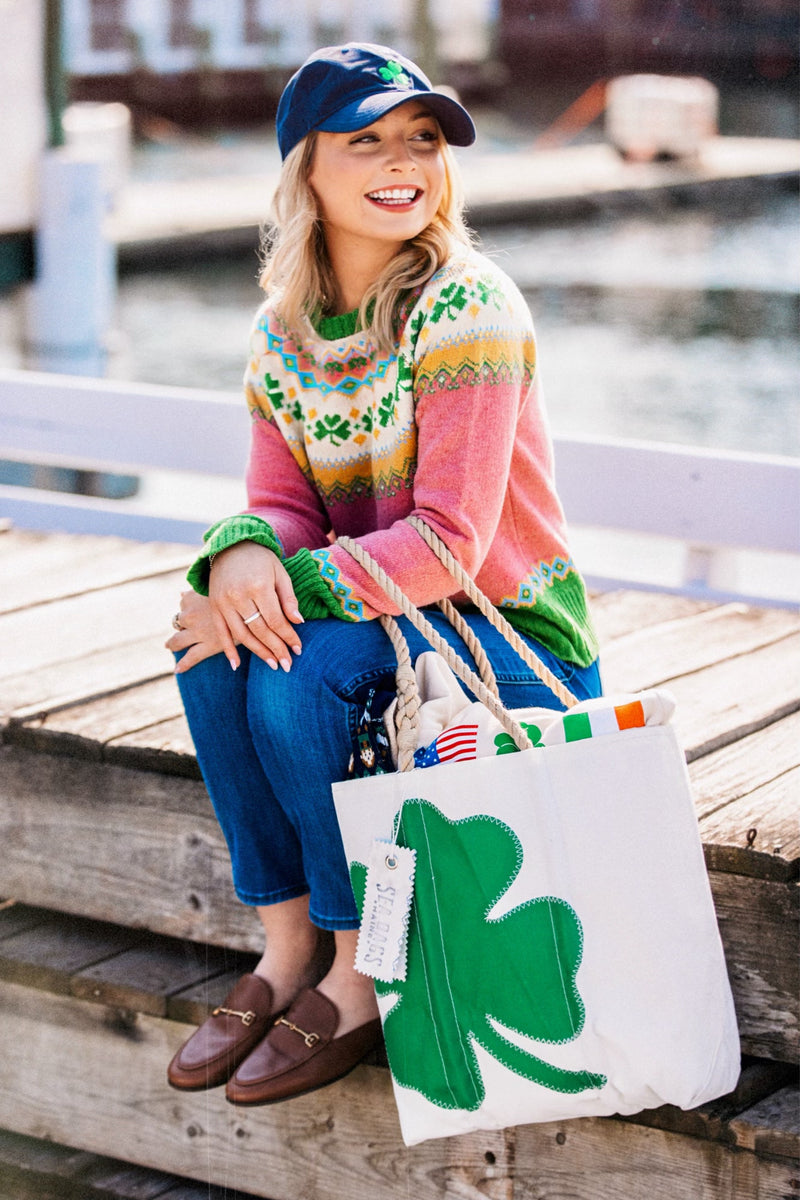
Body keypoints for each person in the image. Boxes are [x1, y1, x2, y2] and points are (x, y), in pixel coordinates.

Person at [165, 42, 602, 1107]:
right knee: (207, 655)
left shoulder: (466, 308)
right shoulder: (280, 336)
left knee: (295, 674)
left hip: (507, 649)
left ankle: (361, 970)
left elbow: (450, 542)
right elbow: (283, 504)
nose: (402, 160)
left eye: (420, 139)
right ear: (304, 169)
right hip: (379, 620)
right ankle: (282, 951)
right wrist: (240, 552)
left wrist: (277, 587)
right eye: (365, 142)